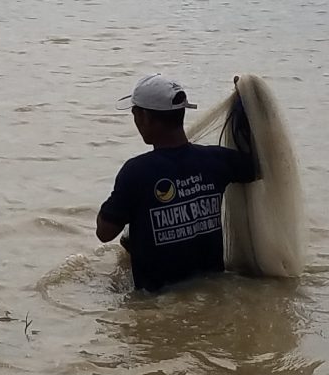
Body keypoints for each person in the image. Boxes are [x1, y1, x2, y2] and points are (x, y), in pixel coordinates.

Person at [97, 75, 262, 293]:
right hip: (212, 291)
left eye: (135, 114)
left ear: (145, 116)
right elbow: (261, 165)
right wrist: (245, 104)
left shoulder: (136, 172)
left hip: (156, 301)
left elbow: (105, 233)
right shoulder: (218, 160)